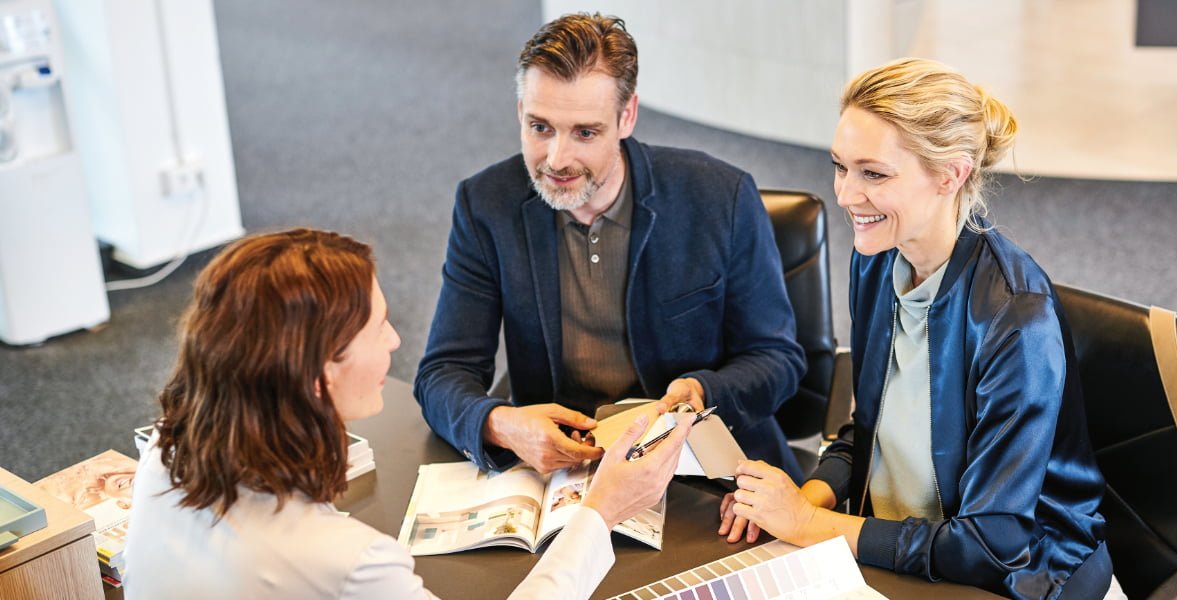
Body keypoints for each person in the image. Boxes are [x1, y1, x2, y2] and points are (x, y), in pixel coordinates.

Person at [717, 59, 1122, 599]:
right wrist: (800, 499)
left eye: (873, 173)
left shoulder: (1015, 318)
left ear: (949, 174)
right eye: (840, 166)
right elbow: (869, 430)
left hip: (1019, 578)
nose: (844, 194)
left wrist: (809, 526)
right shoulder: (879, 259)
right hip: (902, 546)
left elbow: (989, 545)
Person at [123, 228, 693, 600]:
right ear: (321, 373)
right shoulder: (352, 564)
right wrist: (601, 511)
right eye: (379, 326)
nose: (396, 340)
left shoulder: (163, 455)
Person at [414, 13, 807, 481]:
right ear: (521, 111)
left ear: (627, 117)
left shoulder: (721, 197)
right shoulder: (486, 205)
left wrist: (704, 390)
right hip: (570, 468)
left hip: (703, 469)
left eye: (585, 132)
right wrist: (500, 424)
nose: (557, 159)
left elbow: (777, 358)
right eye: (541, 127)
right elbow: (443, 372)